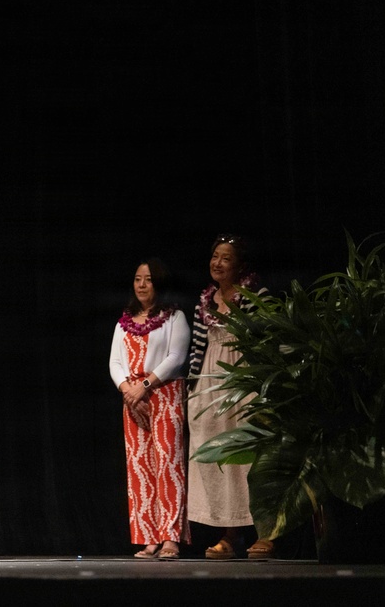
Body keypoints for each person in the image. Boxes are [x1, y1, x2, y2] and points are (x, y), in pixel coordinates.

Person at [186, 233, 274, 560]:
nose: (217, 263)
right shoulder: (206, 300)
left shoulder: (254, 295)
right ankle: (230, 535)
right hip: (211, 381)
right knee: (220, 457)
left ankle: (267, 532)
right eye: (215, 257)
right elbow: (198, 347)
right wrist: (194, 388)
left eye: (226, 258)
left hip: (244, 378)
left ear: (240, 266)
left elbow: (268, 337)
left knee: (251, 457)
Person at [109, 257, 190, 560]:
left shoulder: (174, 317)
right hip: (133, 399)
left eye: (149, 279)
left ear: (159, 283)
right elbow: (115, 362)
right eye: (138, 279)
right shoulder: (125, 320)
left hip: (164, 394)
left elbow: (176, 357)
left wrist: (145, 387)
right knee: (140, 469)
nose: (142, 285)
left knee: (168, 465)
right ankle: (149, 537)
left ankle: (170, 537)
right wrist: (129, 391)